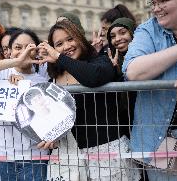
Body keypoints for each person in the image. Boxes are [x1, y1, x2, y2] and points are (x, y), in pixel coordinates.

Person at [37, 20, 141, 180]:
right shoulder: (53, 80)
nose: (66, 46)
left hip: (108, 154)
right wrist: (49, 136)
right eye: (59, 44)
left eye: (70, 39)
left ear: (80, 37)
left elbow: (92, 77)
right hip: (72, 159)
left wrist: (59, 57)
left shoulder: (101, 61)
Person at [122, 0, 177, 180]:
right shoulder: (148, 30)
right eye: (153, 2)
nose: (156, 8)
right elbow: (133, 71)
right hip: (162, 137)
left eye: (164, 1)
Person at [0, 29, 48, 181]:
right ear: (9, 51)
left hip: (34, 156)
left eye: (29, 48)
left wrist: (25, 87)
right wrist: (16, 62)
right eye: (18, 48)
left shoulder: (42, 81)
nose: (24, 52)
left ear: (36, 51)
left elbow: (45, 116)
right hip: (1, 154)